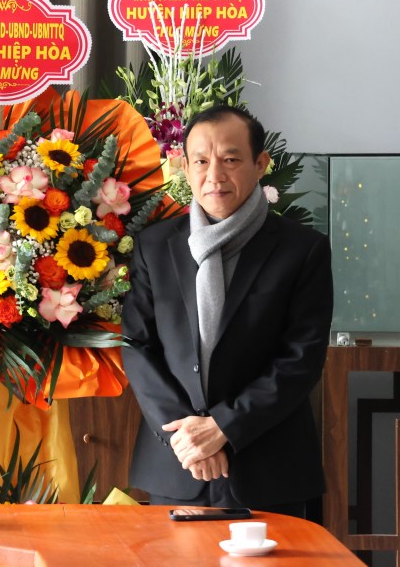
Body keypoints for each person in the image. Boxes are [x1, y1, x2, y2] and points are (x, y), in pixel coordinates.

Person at [121, 105, 332, 518]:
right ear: (184, 167)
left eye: (231, 160)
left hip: (268, 466)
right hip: (178, 464)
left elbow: (300, 359)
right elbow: (137, 346)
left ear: (261, 164)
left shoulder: (302, 249)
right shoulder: (154, 246)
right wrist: (189, 438)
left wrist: (222, 427)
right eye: (201, 161)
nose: (214, 176)